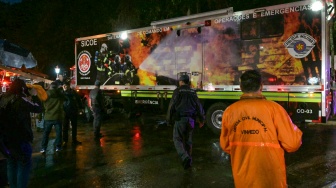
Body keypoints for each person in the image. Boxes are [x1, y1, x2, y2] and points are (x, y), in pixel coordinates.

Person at [219, 70, 303, 188]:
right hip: (271, 180)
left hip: (243, 180)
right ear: (261, 86)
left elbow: (226, 145)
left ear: (241, 87)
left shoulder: (229, 112)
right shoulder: (275, 109)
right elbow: (292, 143)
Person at [0, 78, 42, 188]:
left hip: (6, 140)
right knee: (23, 165)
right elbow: (38, 108)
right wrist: (34, 95)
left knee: (11, 164)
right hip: (21, 138)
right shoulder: (21, 100)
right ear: (22, 88)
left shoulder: (2, 98)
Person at [166, 74, 205, 170]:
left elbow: (171, 106)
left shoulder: (177, 91)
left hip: (180, 119)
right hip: (191, 120)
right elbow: (198, 106)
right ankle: (188, 161)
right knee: (188, 140)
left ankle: (185, 157)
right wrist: (202, 119)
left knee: (177, 139)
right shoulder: (193, 92)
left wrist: (168, 119)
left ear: (181, 82)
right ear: (188, 82)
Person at [40, 81, 65, 153]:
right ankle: (58, 147)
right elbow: (64, 100)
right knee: (59, 133)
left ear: (50, 87)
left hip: (48, 117)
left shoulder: (45, 95)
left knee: (46, 133)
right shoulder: (60, 94)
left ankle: (43, 148)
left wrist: (40, 116)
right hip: (58, 117)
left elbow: (42, 106)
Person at [62, 82, 82, 146]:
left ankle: (73, 140)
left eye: (66, 85)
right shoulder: (62, 93)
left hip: (72, 111)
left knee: (74, 126)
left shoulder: (73, 92)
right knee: (65, 127)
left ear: (68, 86)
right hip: (65, 112)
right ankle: (65, 140)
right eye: (64, 85)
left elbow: (78, 100)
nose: (65, 87)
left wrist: (80, 108)